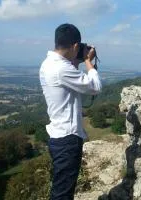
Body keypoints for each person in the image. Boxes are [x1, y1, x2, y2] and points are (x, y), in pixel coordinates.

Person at [39, 23, 102, 200]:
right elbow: (95, 87)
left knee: (61, 190)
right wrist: (88, 61)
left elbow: (69, 76)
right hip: (67, 140)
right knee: (63, 194)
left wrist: (76, 60)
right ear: (75, 46)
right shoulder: (60, 69)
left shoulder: (48, 63)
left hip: (58, 137)